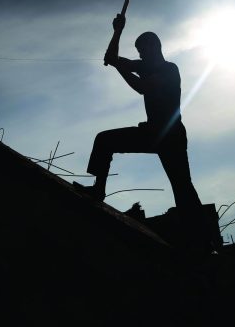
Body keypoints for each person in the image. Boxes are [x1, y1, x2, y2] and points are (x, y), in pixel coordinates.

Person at [77, 13, 207, 249]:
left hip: (172, 136)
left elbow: (141, 87)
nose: (140, 54)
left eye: (142, 49)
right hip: (152, 134)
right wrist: (117, 31)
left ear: (154, 46)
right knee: (105, 140)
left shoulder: (170, 70)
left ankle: (201, 240)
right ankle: (98, 190)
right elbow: (111, 57)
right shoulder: (143, 67)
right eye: (138, 51)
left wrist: (120, 67)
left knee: (182, 186)